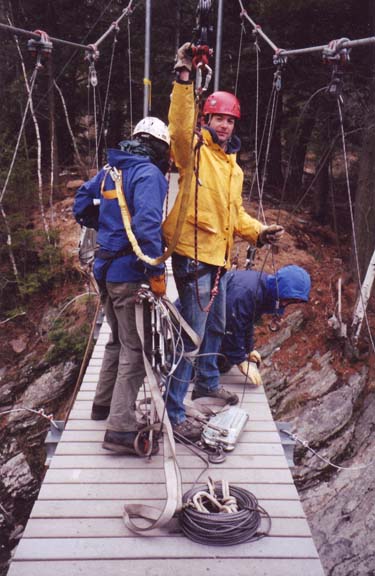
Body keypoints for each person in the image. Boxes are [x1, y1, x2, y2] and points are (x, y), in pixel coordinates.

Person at [162, 43, 285, 440]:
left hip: (218, 259)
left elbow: (233, 216)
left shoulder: (232, 167)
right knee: (193, 335)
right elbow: (179, 129)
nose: (225, 126)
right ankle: (173, 409)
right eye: (218, 118)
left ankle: (207, 382)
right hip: (192, 256)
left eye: (230, 120)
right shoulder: (193, 152)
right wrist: (184, 79)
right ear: (207, 117)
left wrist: (258, 231)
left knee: (216, 325)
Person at [73, 117, 170, 455]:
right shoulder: (148, 175)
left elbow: (81, 204)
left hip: (105, 267)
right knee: (135, 348)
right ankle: (120, 428)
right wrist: (155, 270)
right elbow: (147, 225)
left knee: (117, 338)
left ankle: (102, 406)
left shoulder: (111, 170)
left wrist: (106, 226)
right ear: (160, 147)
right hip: (128, 273)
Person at [219, 265, 311, 385]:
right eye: (288, 299)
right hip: (204, 320)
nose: (286, 303)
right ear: (281, 288)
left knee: (224, 365)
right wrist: (241, 361)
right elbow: (232, 326)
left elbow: (246, 322)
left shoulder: (264, 290)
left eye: (292, 301)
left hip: (223, 320)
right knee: (216, 362)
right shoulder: (248, 292)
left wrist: (248, 349)